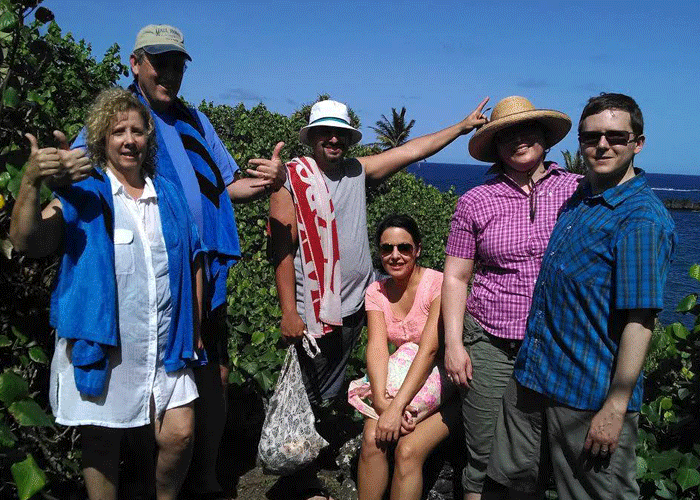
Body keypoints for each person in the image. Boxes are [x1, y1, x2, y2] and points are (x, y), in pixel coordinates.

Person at [62, 25, 286, 499]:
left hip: (202, 271)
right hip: (142, 277)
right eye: (159, 62)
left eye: (177, 64)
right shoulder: (121, 117)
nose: (168, 73)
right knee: (144, 378)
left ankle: (203, 477)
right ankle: (148, 477)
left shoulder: (195, 121)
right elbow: (81, 175)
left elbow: (227, 186)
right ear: (135, 64)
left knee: (213, 373)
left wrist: (270, 182)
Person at [268, 97, 489, 499]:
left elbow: (411, 150)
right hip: (313, 312)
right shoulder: (291, 178)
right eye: (325, 132)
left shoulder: (356, 171)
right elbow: (280, 248)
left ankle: (312, 466)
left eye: (340, 133)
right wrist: (289, 310)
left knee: (328, 391)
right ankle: (298, 478)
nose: (333, 139)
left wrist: (460, 127)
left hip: (353, 307)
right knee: (309, 393)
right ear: (312, 137)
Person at [9, 88, 203, 500]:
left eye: (137, 131)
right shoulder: (85, 191)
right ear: (101, 139)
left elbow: (193, 261)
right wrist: (31, 181)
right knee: (102, 442)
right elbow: (28, 241)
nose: (129, 140)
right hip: (107, 343)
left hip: (166, 341)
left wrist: (196, 326)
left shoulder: (167, 194)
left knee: (180, 434)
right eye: (118, 132)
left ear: (148, 138)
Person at [483, 93, 676, 500]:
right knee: (507, 486)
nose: (602, 145)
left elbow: (640, 321)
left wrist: (615, 407)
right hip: (534, 378)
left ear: (637, 143)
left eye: (615, 136)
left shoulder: (640, 219)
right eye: (591, 137)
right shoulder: (580, 198)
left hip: (589, 394)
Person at [441, 96, 581, 500]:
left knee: (542, 457)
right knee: (483, 453)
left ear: (545, 137)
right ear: (495, 146)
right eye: (506, 135)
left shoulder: (577, 190)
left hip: (556, 345)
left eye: (527, 130)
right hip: (490, 342)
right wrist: (454, 344)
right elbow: (456, 277)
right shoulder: (475, 201)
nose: (518, 140)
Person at [355, 214, 452, 500]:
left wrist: (396, 408)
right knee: (372, 438)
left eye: (404, 248)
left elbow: (430, 349)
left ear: (417, 249)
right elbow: (376, 346)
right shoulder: (376, 291)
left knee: (407, 451)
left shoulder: (437, 285)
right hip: (405, 377)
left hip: (443, 379)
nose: (395, 255)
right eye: (387, 248)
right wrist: (381, 402)